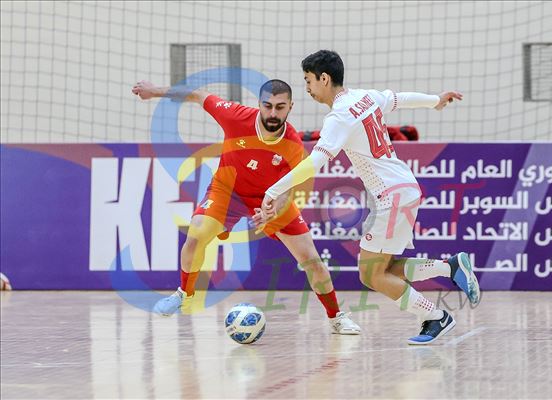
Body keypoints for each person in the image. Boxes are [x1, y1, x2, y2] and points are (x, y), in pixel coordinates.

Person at [260, 50, 480, 345]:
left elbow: (315, 163)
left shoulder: (339, 116)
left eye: (308, 80)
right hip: (403, 188)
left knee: (372, 275)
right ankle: (449, 268)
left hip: (390, 195)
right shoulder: (365, 97)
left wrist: (273, 190)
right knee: (382, 268)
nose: (307, 88)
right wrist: (434, 100)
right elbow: (400, 99)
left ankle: (435, 316)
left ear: (324, 78)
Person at [132, 78, 361, 334]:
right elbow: (198, 95)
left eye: (280, 107)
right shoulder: (235, 116)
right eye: (268, 106)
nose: (273, 113)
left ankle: (336, 317)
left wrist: (274, 209)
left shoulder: (293, 144)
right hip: (227, 191)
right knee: (196, 234)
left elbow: (288, 187)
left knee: (312, 260)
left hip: (269, 197)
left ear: (290, 107)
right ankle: (184, 293)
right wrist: (154, 92)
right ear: (259, 104)